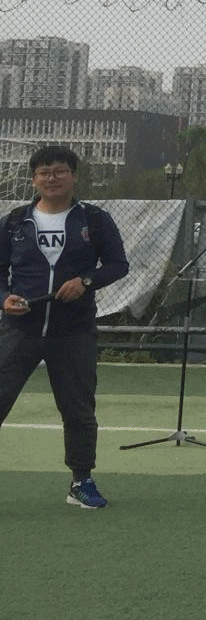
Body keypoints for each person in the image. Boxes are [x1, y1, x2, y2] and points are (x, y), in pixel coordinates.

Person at [0, 146, 128, 511]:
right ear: (34, 179)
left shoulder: (95, 220)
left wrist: (86, 281)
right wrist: (4, 299)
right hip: (18, 331)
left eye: (59, 171)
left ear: (73, 176)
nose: (51, 178)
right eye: (44, 173)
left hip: (74, 332)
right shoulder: (14, 222)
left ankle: (81, 482)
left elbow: (118, 264)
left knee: (78, 410)